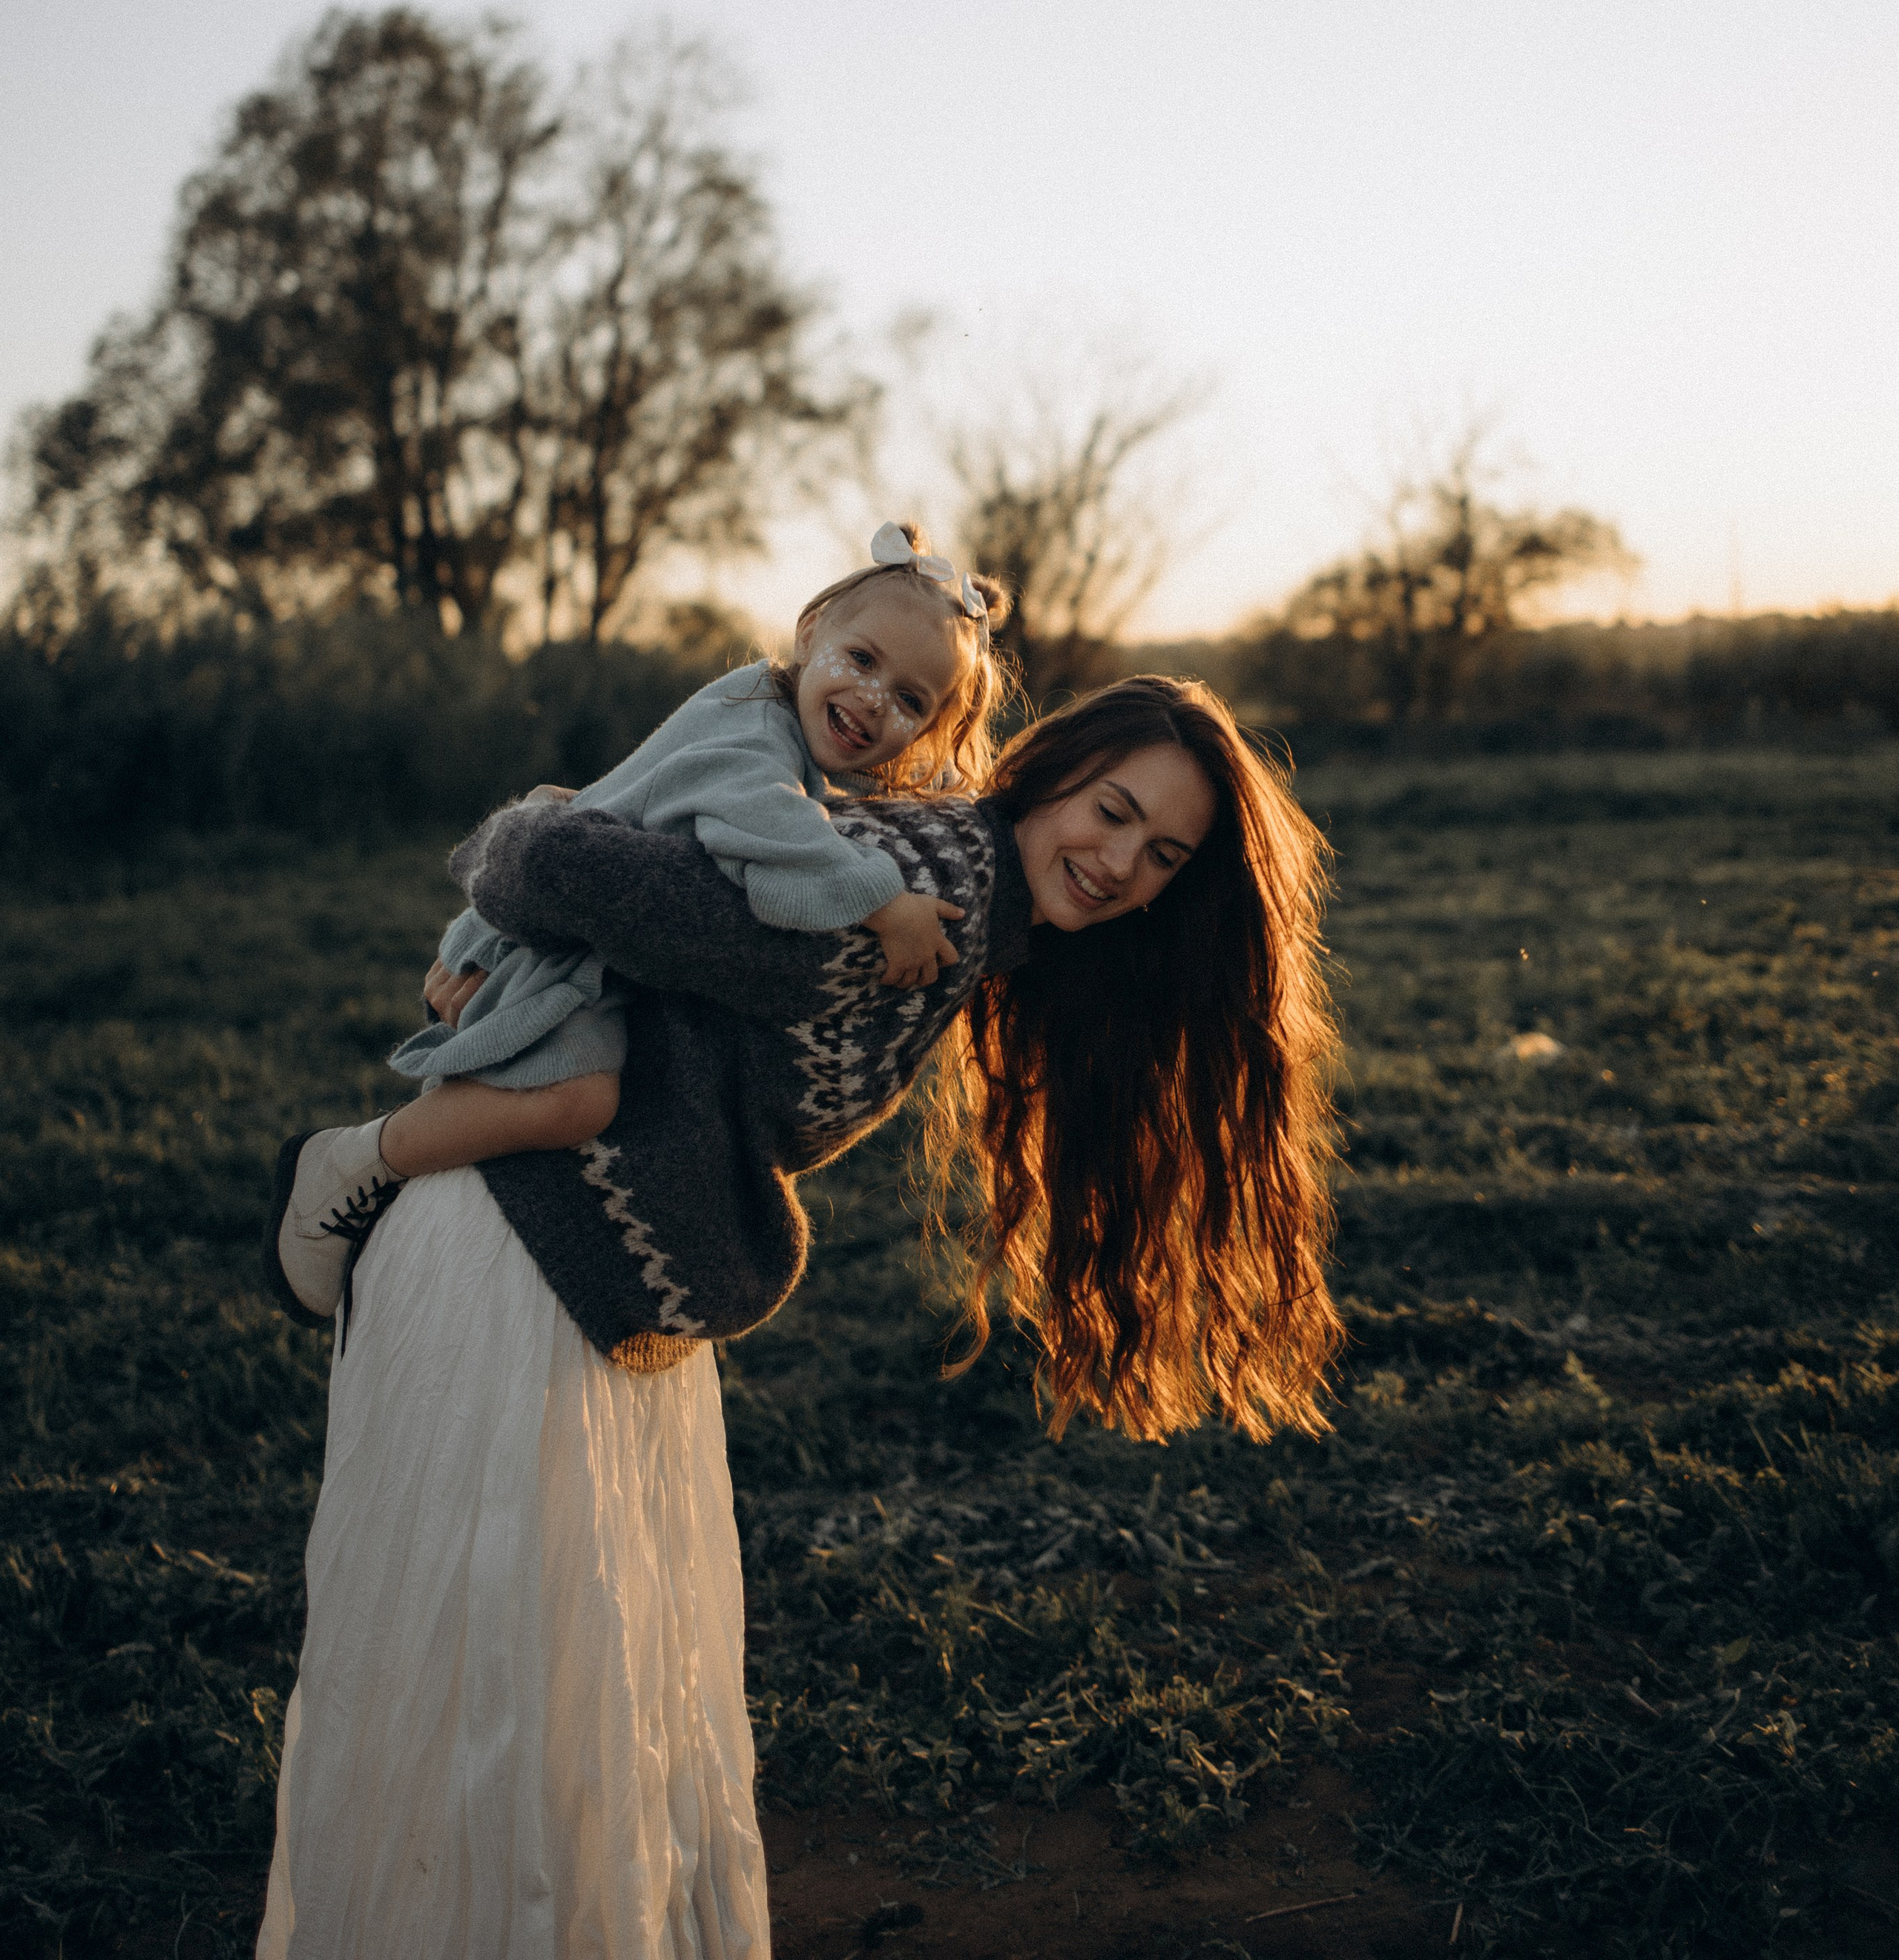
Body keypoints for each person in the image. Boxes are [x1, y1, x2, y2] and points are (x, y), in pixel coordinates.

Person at [257, 674, 1341, 1960]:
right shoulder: (918, 889)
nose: (1119, 865)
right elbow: (561, 863)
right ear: (1052, 774)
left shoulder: (957, 913)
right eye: (1112, 812)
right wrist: (508, 897)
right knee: (493, 1679)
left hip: (577, 1262)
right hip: (512, 1250)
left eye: (1162, 856)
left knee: (550, 1679)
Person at [265, 524, 1009, 1331]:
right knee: (578, 1100)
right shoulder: (754, 736)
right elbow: (775, 846)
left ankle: (396, 1195)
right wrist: (885, 903)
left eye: (911, 700)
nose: (873, 698)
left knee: (577, 1098)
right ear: (809, 634)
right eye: (861, 659)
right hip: (545, 942)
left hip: (572, 928)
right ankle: (353, 1164)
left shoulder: (775, 723)